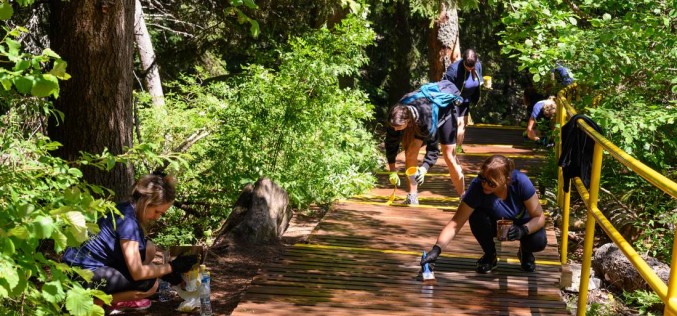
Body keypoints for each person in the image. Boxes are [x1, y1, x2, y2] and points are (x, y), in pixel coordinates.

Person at [62, 173, 199, 312]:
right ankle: (95, 301)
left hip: (71, 268)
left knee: (149, 249)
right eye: (157, 212)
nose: (157, 217)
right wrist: (172, 267)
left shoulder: (124, 208)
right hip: (82, 276)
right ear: (146, 202)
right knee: (149, 285)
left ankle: (103, 299)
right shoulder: (129, 223)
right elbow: (137, 273)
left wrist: (163, 272)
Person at [420, 155, 547, 273]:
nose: (485, 185)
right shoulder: (477, 188)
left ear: (506, 180)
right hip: (493, 224)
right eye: (482, 178)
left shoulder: (520, 182)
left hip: (523, 224)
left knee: (538, 241)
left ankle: (525, 252)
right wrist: (436, 250)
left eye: (491, 183)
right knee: (476, 216)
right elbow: (455, 223)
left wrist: (523, 230)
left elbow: (539, 217)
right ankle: (490, 255)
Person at [385, 80, 465, 205]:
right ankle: (412, 195)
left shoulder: (426, 121)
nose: (395, 129)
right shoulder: (395, 115)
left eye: (398, 127)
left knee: (449, 155)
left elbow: (433, 149)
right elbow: (391, 142)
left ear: (408, 122)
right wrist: (392, 171)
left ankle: (463, 197)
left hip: (446, 111)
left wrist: (424, 169)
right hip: (419, 119)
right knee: (410, 152)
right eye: (394, 127)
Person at [442, 49, 483, 153]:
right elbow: (445, 86)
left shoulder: (477, 65)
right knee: (457, 124)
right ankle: (451, 148)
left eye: (472, 67)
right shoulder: (453, 69)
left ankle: (458, 147)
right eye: (467, 67)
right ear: (463, 61)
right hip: (454, 99)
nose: (470, 69)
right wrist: (454, 98)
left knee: (463, 124)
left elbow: (479, 79)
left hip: (466, 100)